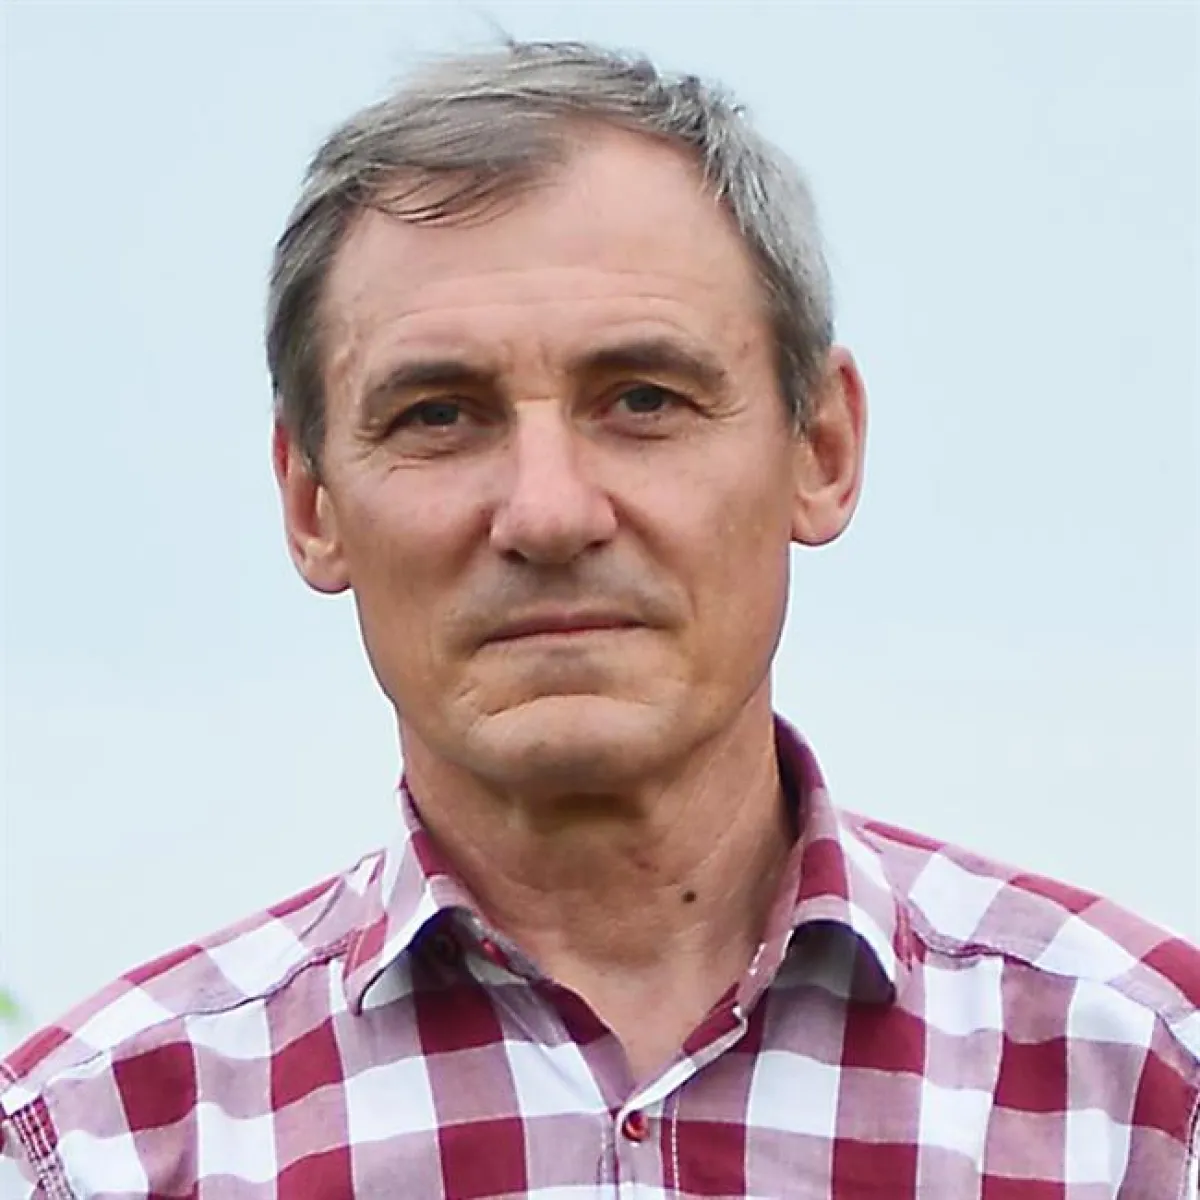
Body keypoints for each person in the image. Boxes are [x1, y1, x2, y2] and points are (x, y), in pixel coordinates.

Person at [2, 39, 1197, 1199]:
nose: (549, 513)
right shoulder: (97, 1150)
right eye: (438, 416)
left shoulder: (1146, 1100)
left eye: (642, 398)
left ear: (822, 450)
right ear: (312, 504)